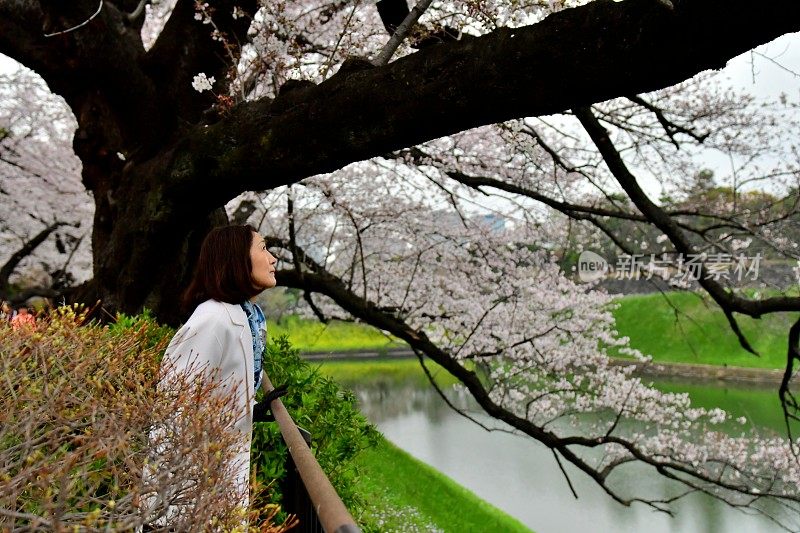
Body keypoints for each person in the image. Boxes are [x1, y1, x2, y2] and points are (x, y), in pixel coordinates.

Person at [149, 224, 285, 524]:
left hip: (216, 478)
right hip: (192, 491)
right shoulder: (212, 320)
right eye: (263, 248)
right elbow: (172, 410)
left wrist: (251, 406)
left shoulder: (242, 315)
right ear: (236, 259)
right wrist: (157, 513)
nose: (273, 258)